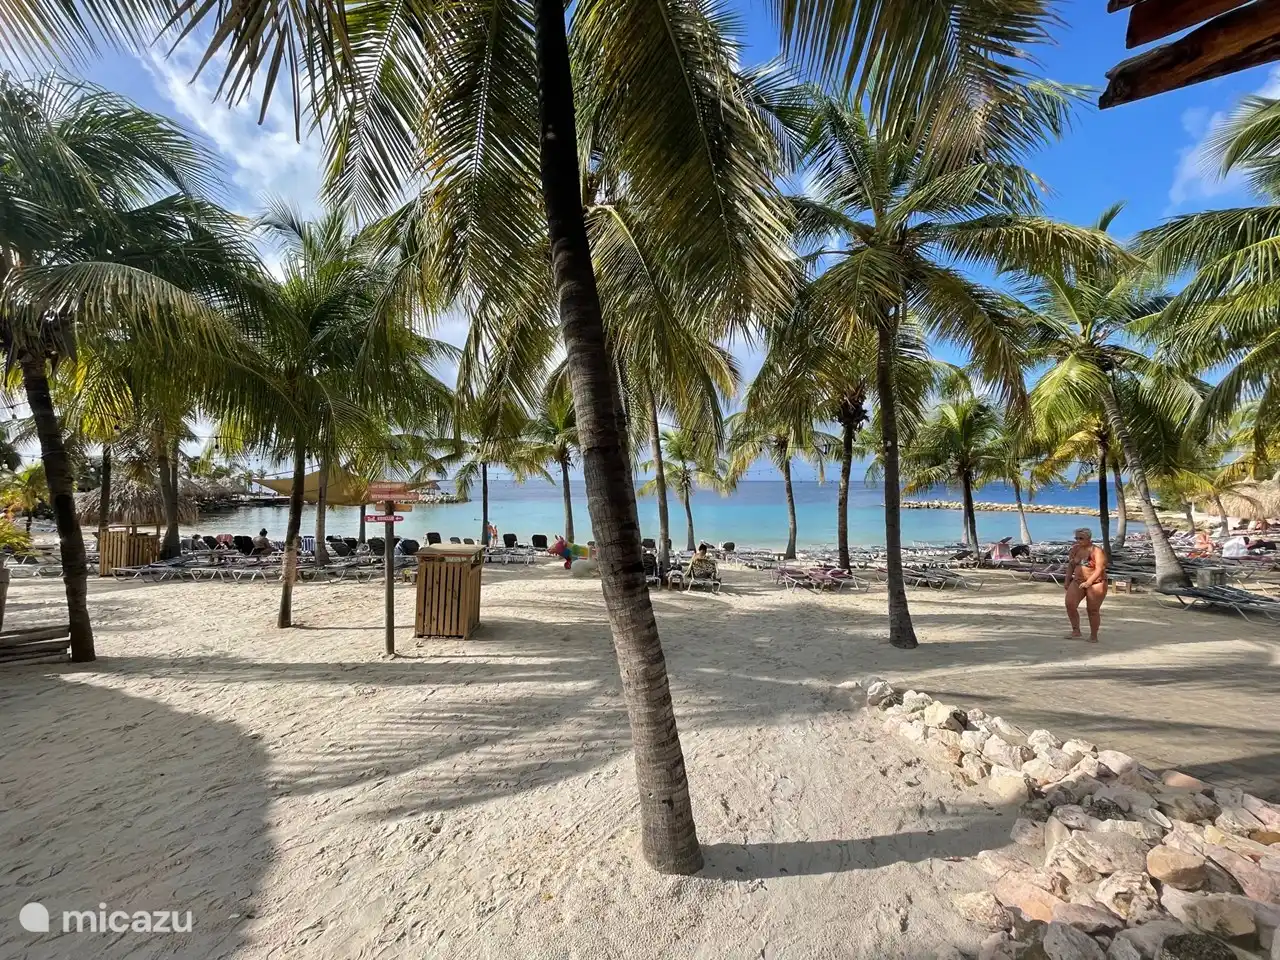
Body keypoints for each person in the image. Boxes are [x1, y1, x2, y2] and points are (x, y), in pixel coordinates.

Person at [1064, 527, 1107, 643]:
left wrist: (1089, 582)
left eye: (1081, 538)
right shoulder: (1075, 549)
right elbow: (1071, 565)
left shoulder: (1096, 551)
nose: (1078, 540)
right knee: (1070, 604)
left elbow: (1100, 569)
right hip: (1078, 581)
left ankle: (1093, 636)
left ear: (1089, 538)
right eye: (1076, 538)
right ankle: (1076, 631)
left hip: (1096, 583)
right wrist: (1067, 580)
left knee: (1092, 610)